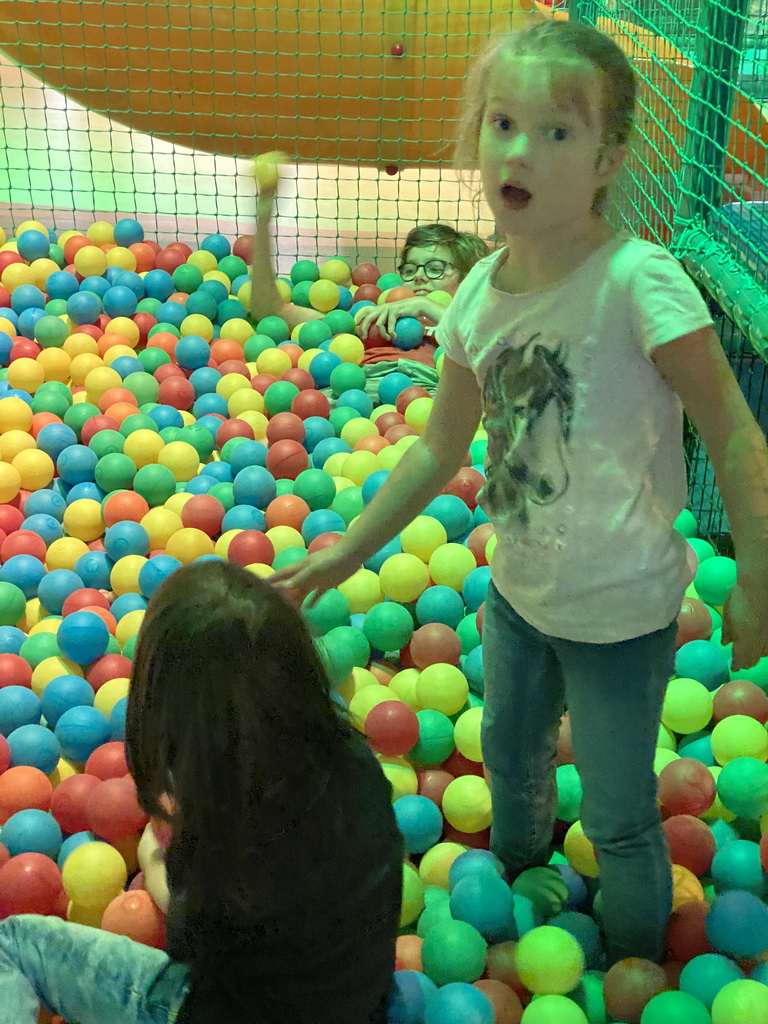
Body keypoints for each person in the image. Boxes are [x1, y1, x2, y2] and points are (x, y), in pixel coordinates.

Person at [274, 19, 768, 967]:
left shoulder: (638, 281)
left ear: (606, 159)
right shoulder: (475, 298)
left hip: (622, 614)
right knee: (509, 762)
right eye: (502, 123)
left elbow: (736, 429)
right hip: (516, 598)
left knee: (622, 816)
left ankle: (631, 971)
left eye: (555, 132)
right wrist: (345, 549)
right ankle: (517, 880)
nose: (519, 150)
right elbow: (434, 451)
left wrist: (755, 578)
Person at [0, 560, 404, 1024]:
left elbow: (191, 936)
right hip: (357, 1003)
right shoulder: (352, 759)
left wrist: (155, 854)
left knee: (12, 943)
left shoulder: (230, 832)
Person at [249, 177, 489, 367]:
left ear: (466, 280)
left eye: (435, 269)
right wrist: (263, 214)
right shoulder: (369, 316)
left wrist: (425, 306)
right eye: (410, 269)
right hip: (357, 397)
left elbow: (490, 347)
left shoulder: (474, 323)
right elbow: (271, 311)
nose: (419, 276)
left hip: (426, 395)